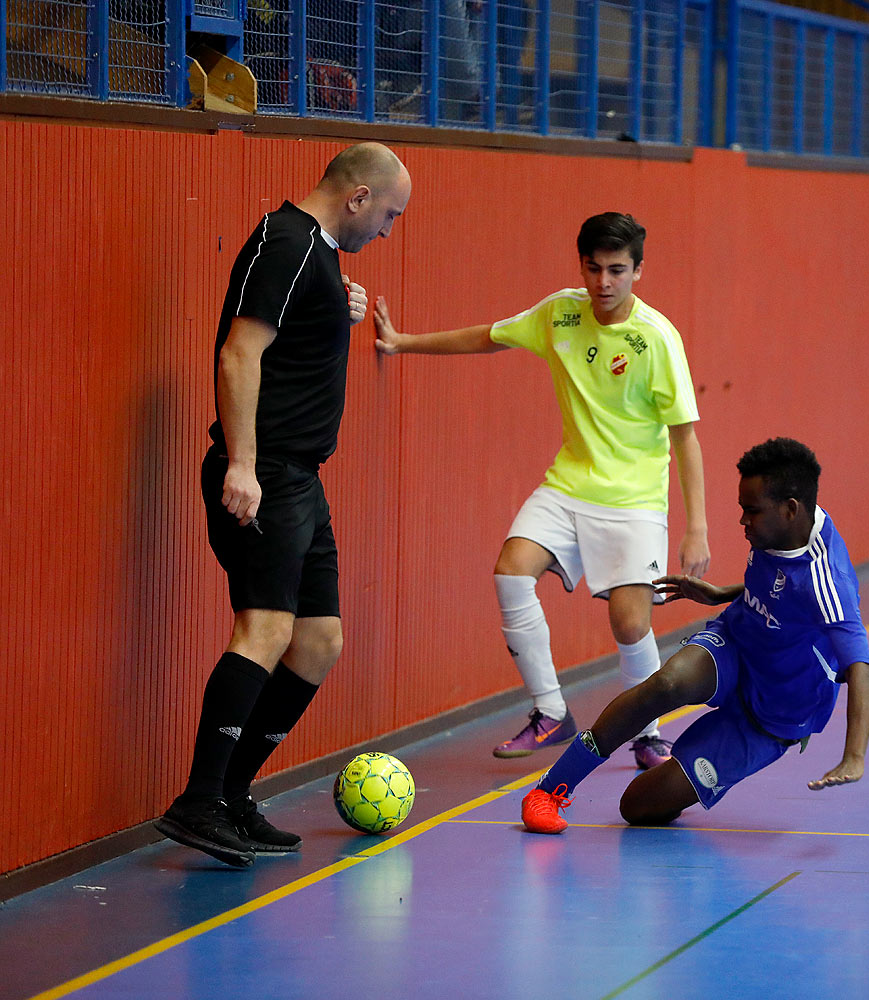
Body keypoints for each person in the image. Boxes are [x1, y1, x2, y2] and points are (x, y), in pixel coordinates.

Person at [372, 212, 709, 771]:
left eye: (618, 270)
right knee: (511, 569)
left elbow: (685, 436)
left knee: (630, 623)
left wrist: (696, 527)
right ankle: (551, 712)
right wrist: (403, 342)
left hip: (634, 500)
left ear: (638, 271)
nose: (604, 282)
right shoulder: (561, 313)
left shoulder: (656, 340)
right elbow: (488, 338)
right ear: (582, 265)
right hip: (569, 485)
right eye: (594, 268)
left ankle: (648, 734)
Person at [154, 143, 413, 868]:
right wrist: (240, 463)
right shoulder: (286, 243)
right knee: (265, 626)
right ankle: (199, 800)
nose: (388, 230)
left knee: (319, 638)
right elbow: (240, 354)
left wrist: (345, 303)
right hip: (264, 470)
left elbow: (301, 325)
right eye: (388, 213)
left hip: (301, 477)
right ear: (358, 197)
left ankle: (233, 796)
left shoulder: (317, 254)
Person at [520, 437, 869, 834]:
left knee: (637, 807)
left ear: (790, 510)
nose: (743, 521)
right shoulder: (786, 526)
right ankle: (549, 790)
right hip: (739, 644)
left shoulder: (829, 582)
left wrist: (854, 757)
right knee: (668, 683)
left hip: (775, 715)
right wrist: (721, 594)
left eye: (751, 512)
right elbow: (782, 589)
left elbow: (862, 669)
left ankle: (682, 771)